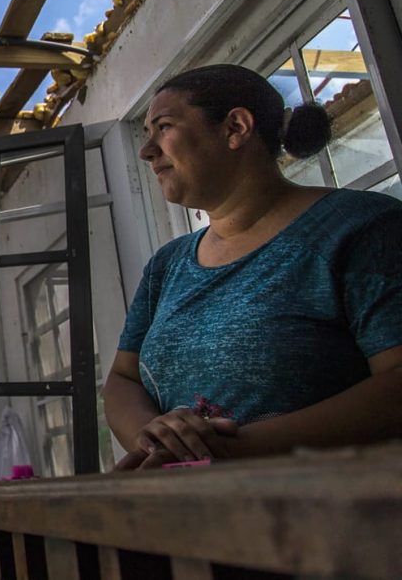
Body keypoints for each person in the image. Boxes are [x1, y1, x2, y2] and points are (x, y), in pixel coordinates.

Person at [101, 64, 402, 471]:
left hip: (339, 519)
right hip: (197, 521)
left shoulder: (360, 227)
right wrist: (157, 437)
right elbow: (124, 378)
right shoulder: (167, 266)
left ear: (236, 127)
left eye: (164, 127)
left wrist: (225, 448)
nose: (146, 150)